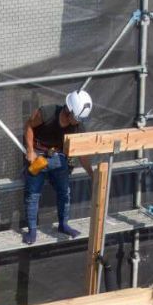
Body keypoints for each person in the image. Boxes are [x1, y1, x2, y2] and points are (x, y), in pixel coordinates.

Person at [22, 90, 94, 245]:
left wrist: (93, 175)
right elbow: (28, 126)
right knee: (33, 194)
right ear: (69, 110)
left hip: (58, 157)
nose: (79, 122)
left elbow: (83, 154)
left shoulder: (78, 128)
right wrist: (30, 151)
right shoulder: (46, 113)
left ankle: (63, 224)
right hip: (38, 153)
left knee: (64, 191)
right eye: (77, 118)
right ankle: (32, 230)